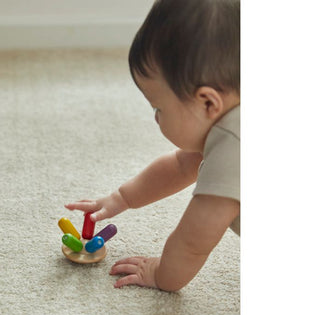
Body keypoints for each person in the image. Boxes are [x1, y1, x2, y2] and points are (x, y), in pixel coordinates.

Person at [65, 0, 240, 292]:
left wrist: (162, 274)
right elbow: (180, 166)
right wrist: (121, 198)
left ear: (208, 102)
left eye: (158, 108)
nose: (156, 118)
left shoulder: (235, 151)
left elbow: (195, 239)